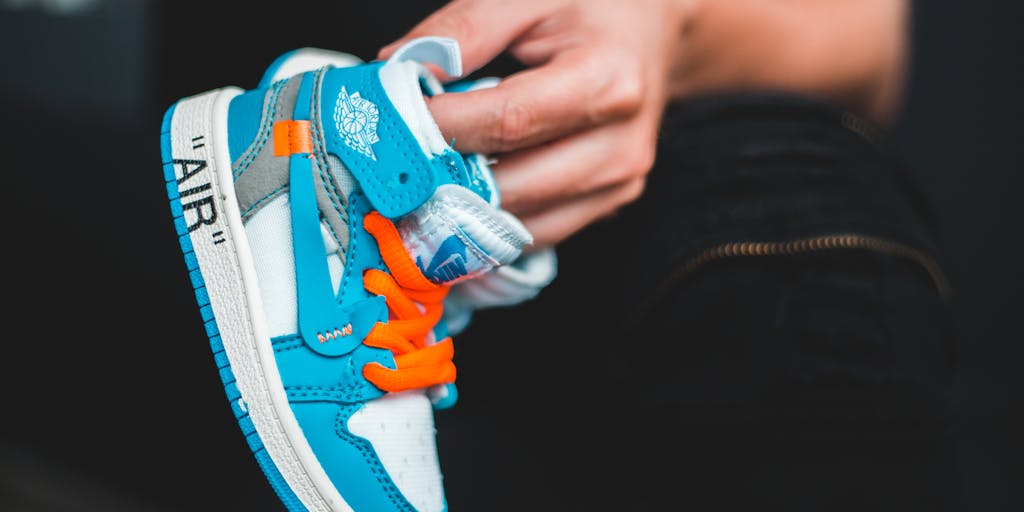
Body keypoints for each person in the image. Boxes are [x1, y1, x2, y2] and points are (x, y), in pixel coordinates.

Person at [380, 1, 958, 510]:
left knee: (802, 219)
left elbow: (868, 46)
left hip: (610, 255)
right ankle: (329, 172)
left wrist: (670, 25)